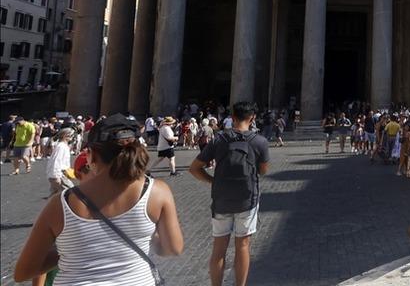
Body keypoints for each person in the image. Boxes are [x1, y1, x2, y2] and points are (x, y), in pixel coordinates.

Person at [14, 113, 184, 285]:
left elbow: (23, 272)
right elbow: (173, 248)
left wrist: (70, 249)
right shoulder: (158, 192)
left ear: (91, 155)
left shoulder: (62, 203)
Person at [189, 102, 270, 286]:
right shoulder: (260, 141)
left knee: (218, 249)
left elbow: (194, 168)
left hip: (221, 199)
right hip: (247, 199)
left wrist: (212, 181)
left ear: (232, 117)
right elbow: (263, 170)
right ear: (253, 118)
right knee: (242, 246)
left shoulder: (219, 139)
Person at [46, 128, 75, 195]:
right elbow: (56, 161)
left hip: (61, 173)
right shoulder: (61, 146)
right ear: (65, 135)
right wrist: (55, 176)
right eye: (71, 135)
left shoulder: (63, 146)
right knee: (70, 194)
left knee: (57, 195)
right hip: (60, 174)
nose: (72, 137)